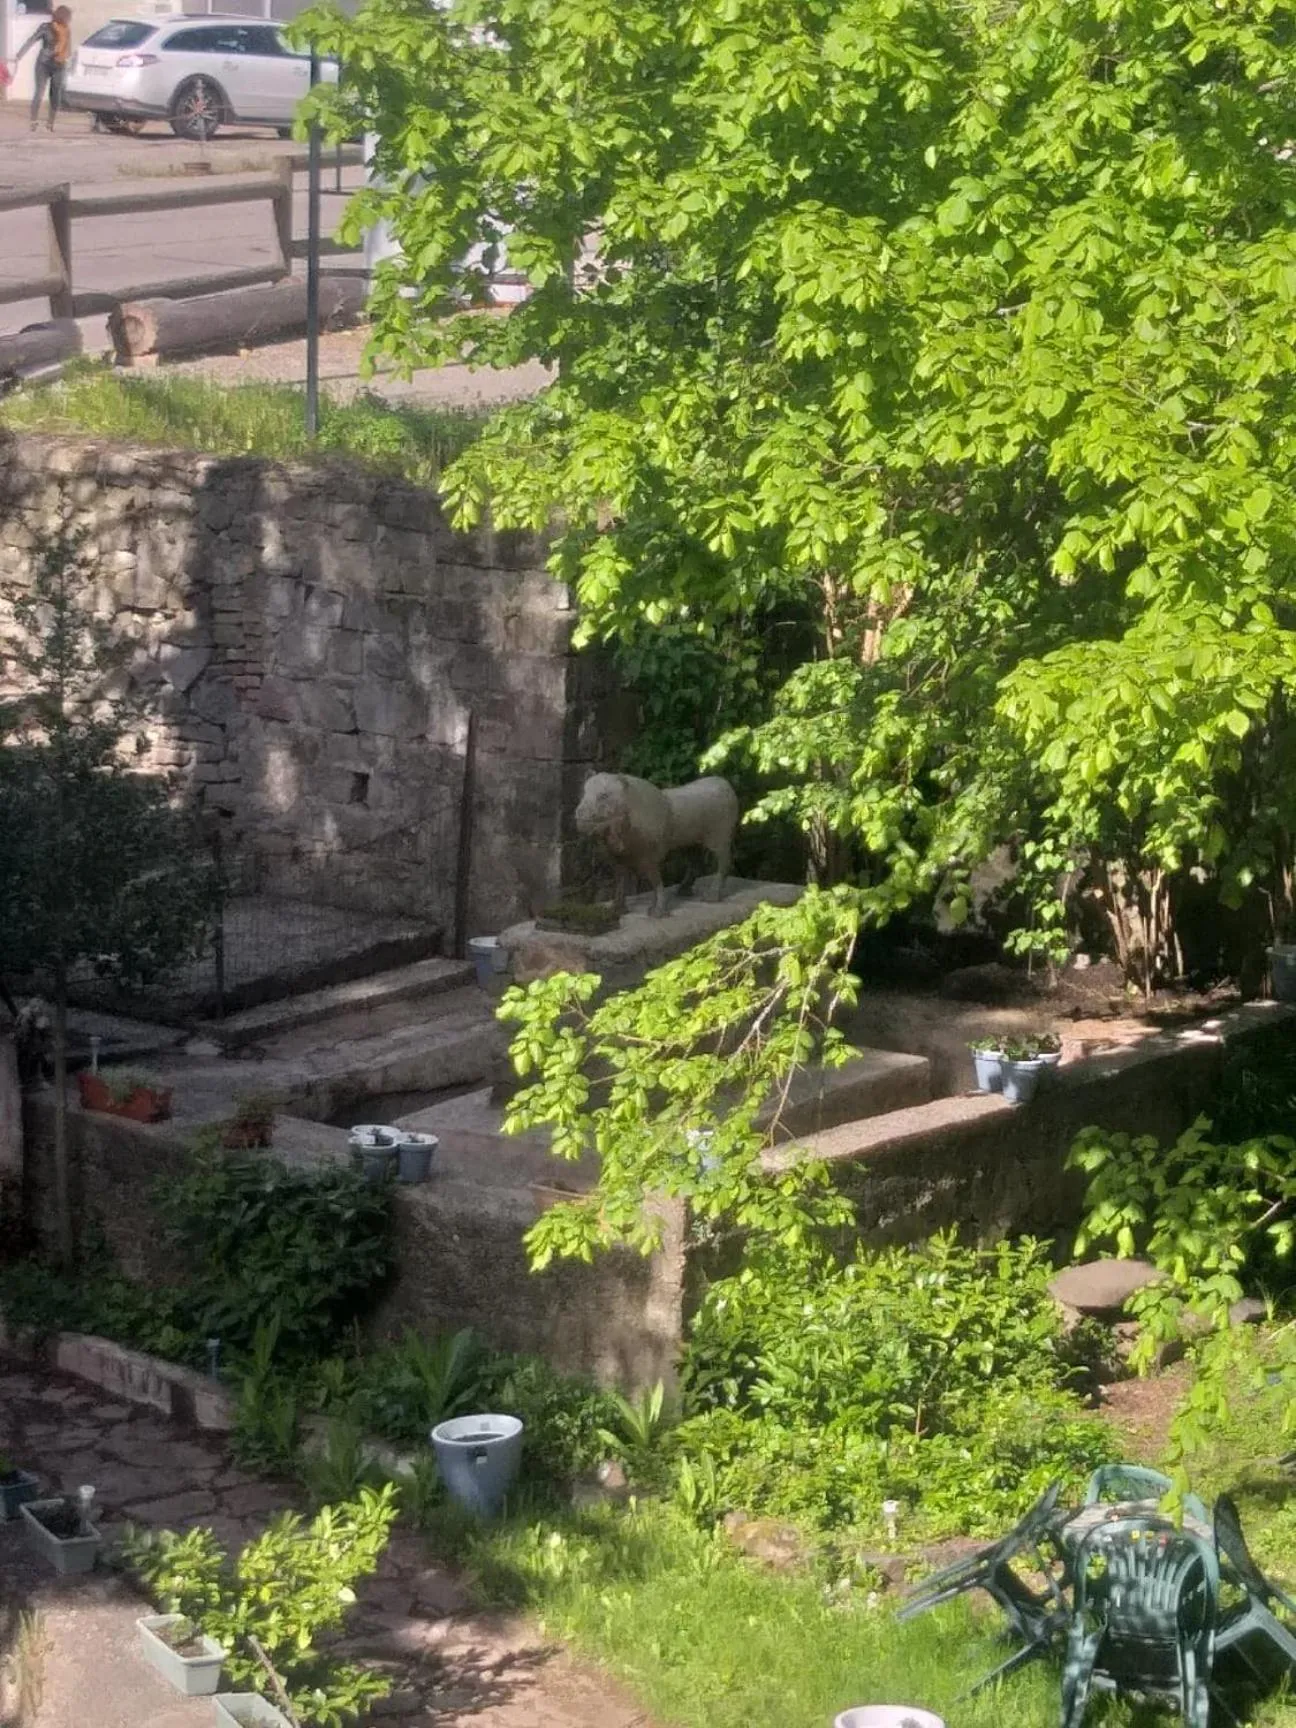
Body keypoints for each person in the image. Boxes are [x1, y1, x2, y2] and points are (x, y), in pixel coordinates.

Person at [14, 6, 73, 133]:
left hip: (59, 65)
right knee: (39, 92)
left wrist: (65, 56)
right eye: (67, 17)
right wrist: (19, 55)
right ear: (61, 16)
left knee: (55, 94)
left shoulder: (67, 30)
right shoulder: (46, 27)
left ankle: (50, 123)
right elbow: (32, 40)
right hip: (44, 63)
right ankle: (33, 121)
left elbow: (69, 48)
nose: (69, 20)